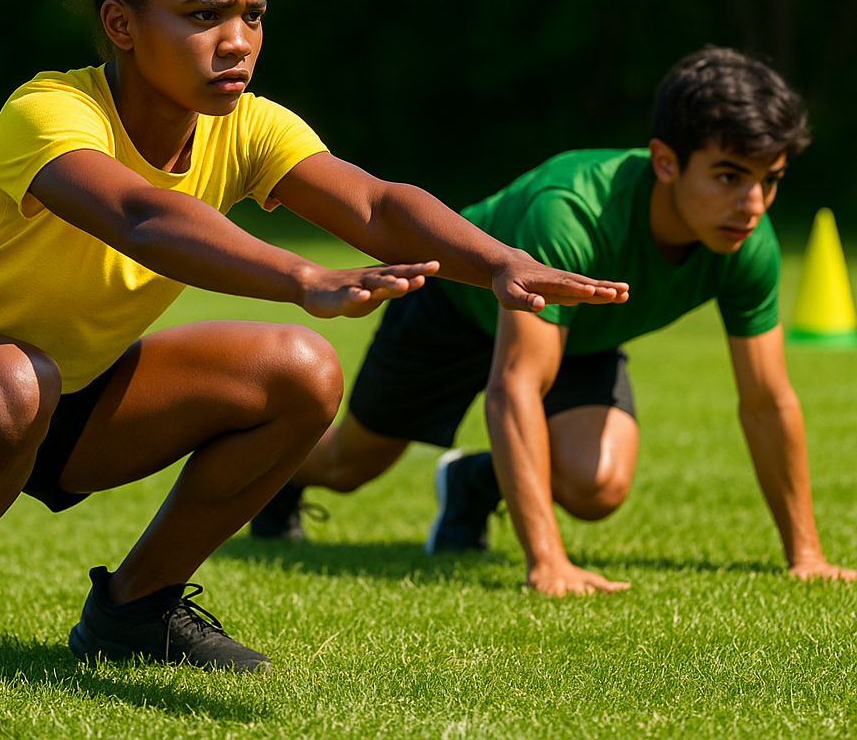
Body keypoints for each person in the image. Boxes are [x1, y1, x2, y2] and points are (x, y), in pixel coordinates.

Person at [0, 0, 627, 712]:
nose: (238, 42)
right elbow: (141, 217)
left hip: (71, 393)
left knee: (301, 372)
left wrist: (494, 260)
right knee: (13, 378)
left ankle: (135, 610)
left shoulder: (246, 126)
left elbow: (372, 202)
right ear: (122, 25)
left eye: (252, 14)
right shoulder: (50, 112)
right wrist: (299, 274)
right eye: (204, 16)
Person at [253, 48, 857, 597]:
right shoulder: (571, 213)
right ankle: (272, 476)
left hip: (579, 332)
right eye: (730, 176)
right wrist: (548, 562)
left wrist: (806, 554)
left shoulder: (748, 242)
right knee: (349, 466)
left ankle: (472, 484)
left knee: (598, 486)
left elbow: (767, 401)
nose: (752, 204)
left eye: (770, 180)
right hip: (456, 309)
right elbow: (514, 385)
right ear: (666, 162)